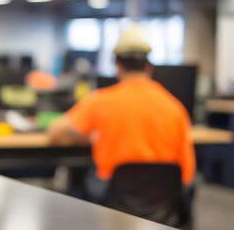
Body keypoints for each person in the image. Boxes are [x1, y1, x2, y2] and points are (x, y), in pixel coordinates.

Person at [47, 24, 195, 203]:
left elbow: (55, 133)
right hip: (162, 204)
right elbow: (187, 175)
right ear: (149, 67)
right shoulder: (175, 108)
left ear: (117, 65)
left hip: (113, 196)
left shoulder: (100, 101)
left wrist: (88, 137)